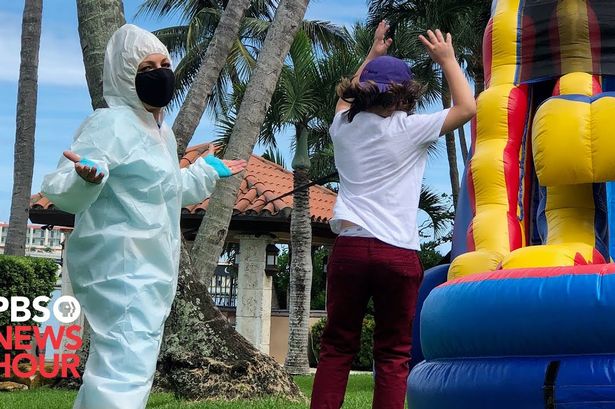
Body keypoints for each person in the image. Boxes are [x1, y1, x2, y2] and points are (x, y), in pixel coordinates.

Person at [41, 24, 246, 409]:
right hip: (120, 267)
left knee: (123, 367)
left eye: (164, 63)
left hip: (149, 269)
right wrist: (87, 177)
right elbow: (62, 182)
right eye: (146, 67)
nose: (160, 72)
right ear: (124, 76)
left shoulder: (159, 133)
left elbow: (164, 192)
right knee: (125, 370)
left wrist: (205, 173)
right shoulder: (111, 123)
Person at [310, 21, 476, 409]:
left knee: (336, 348)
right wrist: (448, 59)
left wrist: (371, 58)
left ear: (361, 93)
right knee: (393, 353)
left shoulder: (342, 127)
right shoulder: (410, 128)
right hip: (396, 254)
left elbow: (343, 104)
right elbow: (467, 107)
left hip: (350, 250)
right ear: (404, 97)